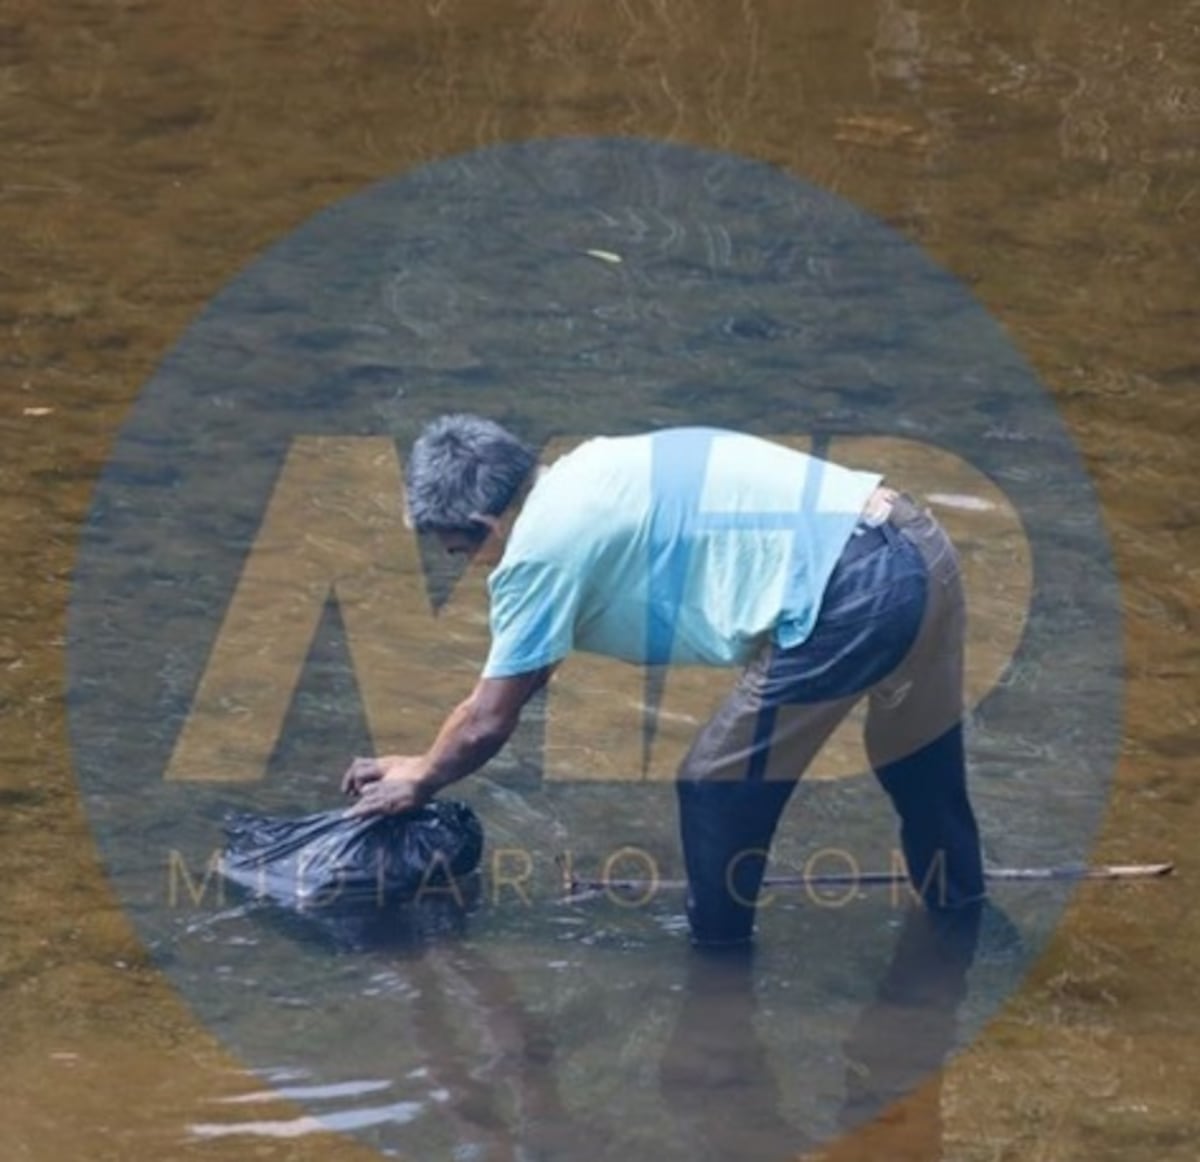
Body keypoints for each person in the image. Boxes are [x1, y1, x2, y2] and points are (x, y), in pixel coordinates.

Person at [343, 415, 986, 946]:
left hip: (854, 591)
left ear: (488, 526)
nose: (464, 564)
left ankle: (718, 981)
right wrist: (425, 761)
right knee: (919, 769)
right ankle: (965, 932)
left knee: (715, 783)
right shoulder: (588, 466)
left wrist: (424, 778)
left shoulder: (538, 549)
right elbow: (526, 672)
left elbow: (488, 719)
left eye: (460, 551)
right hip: (917, 543)